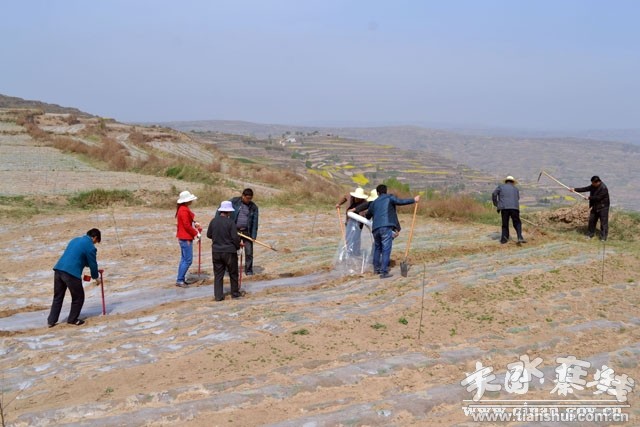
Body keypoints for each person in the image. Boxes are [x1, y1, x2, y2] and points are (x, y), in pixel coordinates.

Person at [47, 228, 101, 327]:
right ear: (95, 238)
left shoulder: (75, 240)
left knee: (58, 297)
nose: (95, 244)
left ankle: (51, 321)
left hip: (59, 269)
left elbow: (75, 255)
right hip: (71, 273)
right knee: (78, 297)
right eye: (96, 242)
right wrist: (96, 277)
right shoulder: (90, 247)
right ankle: (72, 319)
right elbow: (93, 264)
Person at [365, 184, 420, 279]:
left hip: (375, 229)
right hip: (386, 227)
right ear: (386, 191)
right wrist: (413, 200)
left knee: (377, 248)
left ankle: (376, 269)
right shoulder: (390, 198)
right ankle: (384, 272)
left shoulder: (374, 203)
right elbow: (400, 202)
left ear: (377, 193)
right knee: (386, 249)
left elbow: (367, 215)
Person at [207, 201, 242, 301]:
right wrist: (238, 247)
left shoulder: (213, 221)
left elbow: (209, 235)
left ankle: (218, 296)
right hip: (229, 251)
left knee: (218, 274)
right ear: (229, 212)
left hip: (216, 251)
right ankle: (235, 293)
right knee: (233, 273)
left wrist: (218, 238)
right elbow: (235, 238)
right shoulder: (230, 222)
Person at [226, 188, 259, 276]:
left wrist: (253, 236)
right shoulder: (234, 201)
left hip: (247, 232)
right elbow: (223, 207)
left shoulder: (254, 207)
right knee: (232, 251)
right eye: (247, 198)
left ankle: (249, 270)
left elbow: (255, 223)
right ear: (243, 196)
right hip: (235, 231)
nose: (249, 200)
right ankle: (230, 269)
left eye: (250, 198)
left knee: (249, 252)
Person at [175, 190, 201, 287]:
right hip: (185, 238)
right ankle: (180, 280)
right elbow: (186, 225)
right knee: (188, 260)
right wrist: (196, 233)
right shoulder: (183, 210)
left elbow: (187, 222)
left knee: (184, 259)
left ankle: (180, 279)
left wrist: (194, 223)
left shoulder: (182, 209)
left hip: (183, 237)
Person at [571, 176, 610, 241]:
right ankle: (590, 234)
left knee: (603, 223)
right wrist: (574, 189)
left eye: (593, 183)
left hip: (603, 208)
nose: (592, 184)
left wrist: (589, 198)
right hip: (595, 206)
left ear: (598, 182)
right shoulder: (593, 186)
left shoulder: (604, 188)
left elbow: (598, 197)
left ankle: (603, 237)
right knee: (592, 221)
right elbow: (585, 188)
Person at [492, 176, 526, 244]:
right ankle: (519, 237)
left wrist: (496, 204)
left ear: (506, 181)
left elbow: (494, 194)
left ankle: (504, 240)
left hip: (504, 208)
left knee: (505, 224)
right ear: (513, 182)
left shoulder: (501, 187)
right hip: (514, 208)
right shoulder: (516, 189)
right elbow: (517, 198)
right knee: (517, 223)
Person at [336, 187, 369, 256]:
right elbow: (344, 197)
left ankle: (356, 252)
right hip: (349, 221)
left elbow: (365, 212)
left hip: (359, 223)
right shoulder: (349, 196)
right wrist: (339, 204)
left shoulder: (364, 202)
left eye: (360, 198)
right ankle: (348, 251)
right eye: (357, 197)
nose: (358, 199)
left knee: (356, 237)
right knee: (348, 236)